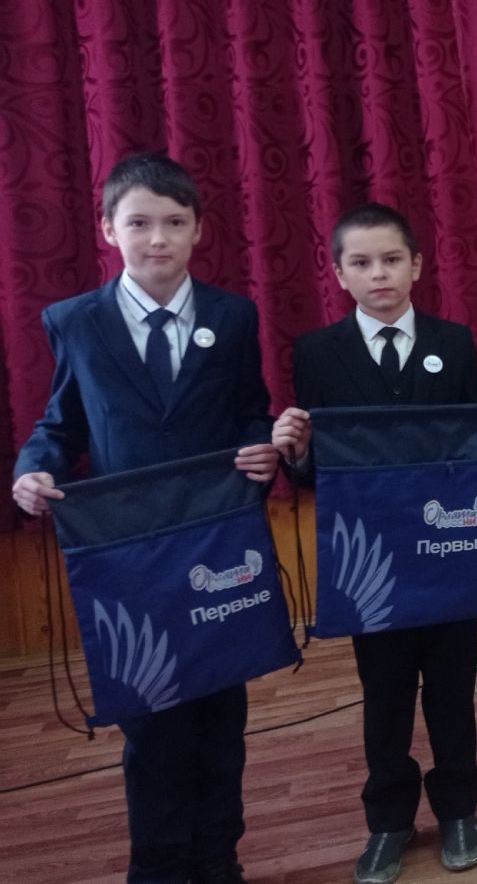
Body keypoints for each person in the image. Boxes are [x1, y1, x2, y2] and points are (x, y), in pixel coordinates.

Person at [12, 153, 279, 884]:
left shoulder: (232, 315)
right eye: (138, 222)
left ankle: (219, 858)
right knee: (152, 720)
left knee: (221, 715)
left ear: (197, 230)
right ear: (108, 228)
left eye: (173, 222)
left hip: (216, 543)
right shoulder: (75, 321)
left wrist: (261, 446)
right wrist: (33, 468)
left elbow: (251, 410)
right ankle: (158, 866)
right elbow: (60, 423)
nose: (156, 238)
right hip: (130, 556)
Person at [272, 204, 477, 883]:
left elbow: (474, 451)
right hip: (372, 565)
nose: (378, 274)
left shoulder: (454, 341)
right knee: (384, 694)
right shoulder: (318, 353)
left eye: (391, 260)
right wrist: (297, 453)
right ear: (339, 273)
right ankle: (388, 818)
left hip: (448, 553)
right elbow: (318, 468)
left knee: (452, 687)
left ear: (416, 264)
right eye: (361, 262)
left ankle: (459, 808)